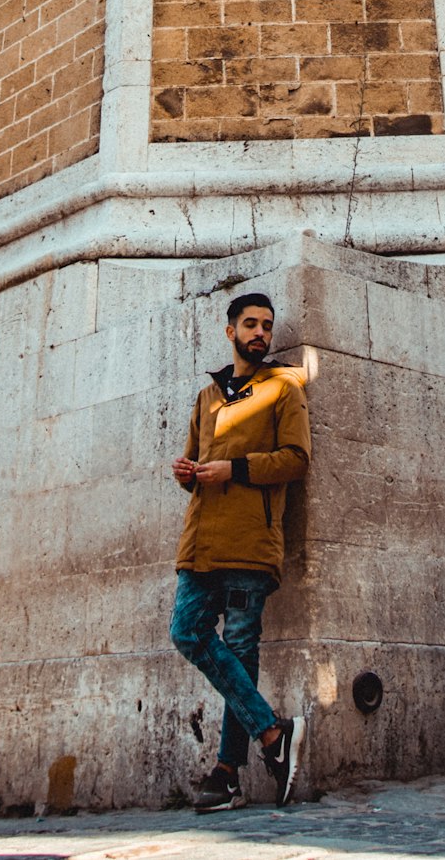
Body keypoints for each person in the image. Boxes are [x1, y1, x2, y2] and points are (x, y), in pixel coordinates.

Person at [169, 290, 311, 812]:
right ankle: (273, 733)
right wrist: (187, 473)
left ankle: (227, 773)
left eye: (267, 326)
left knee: (242, 653)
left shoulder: (283, 389)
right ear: (230, 331)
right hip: (202, 541)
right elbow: (195, 462)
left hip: (252, 544)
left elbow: (296, 459)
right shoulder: (207, 398)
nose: (260, 333)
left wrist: (236, 469)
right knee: (187, 632)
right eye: (250, 324)